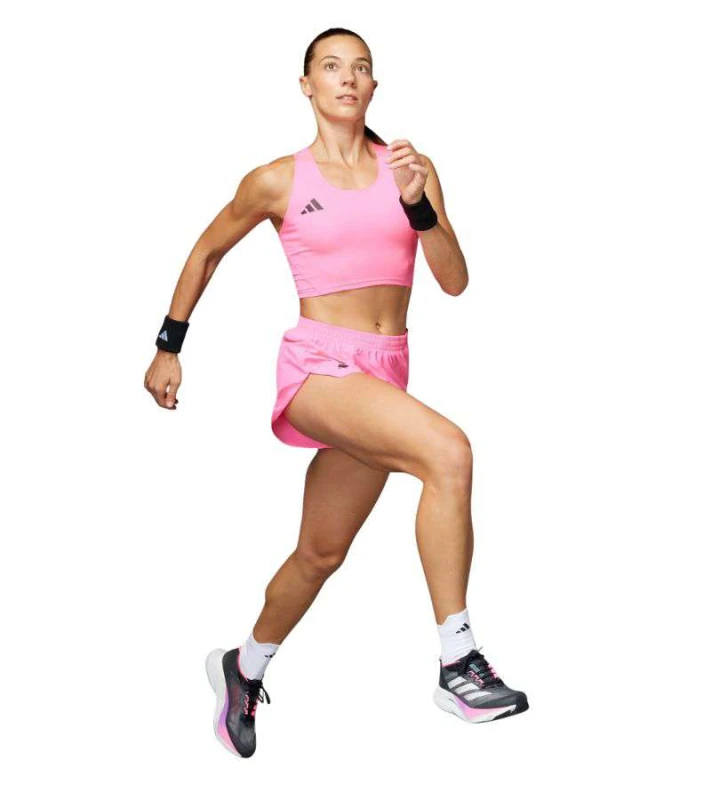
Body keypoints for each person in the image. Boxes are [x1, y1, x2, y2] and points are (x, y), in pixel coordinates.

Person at [144, 27, 528, 758]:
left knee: (320, 552)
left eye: (361, 68)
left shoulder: (410, 169)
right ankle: (458, 661)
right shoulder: (277, 180)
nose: (347, 78)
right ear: (307, 85)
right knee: (449, 453)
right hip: (318, 369)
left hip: (384, 373)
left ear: (374, 86)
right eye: (331, 66)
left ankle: (243, 667)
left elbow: (453, 280)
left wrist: (418, 206)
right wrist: (170, 345)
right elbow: (208, 250)